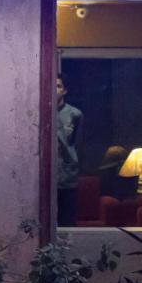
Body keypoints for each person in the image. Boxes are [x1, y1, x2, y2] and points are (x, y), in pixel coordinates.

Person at [55, 75, 84, 227]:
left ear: (64, 90)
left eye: (58, 86)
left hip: (67, 176)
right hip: (46, 178)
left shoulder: (75, 114)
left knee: (67, 222)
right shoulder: (39, 112)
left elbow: (78, 145)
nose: (55, 89)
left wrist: (73, 165)